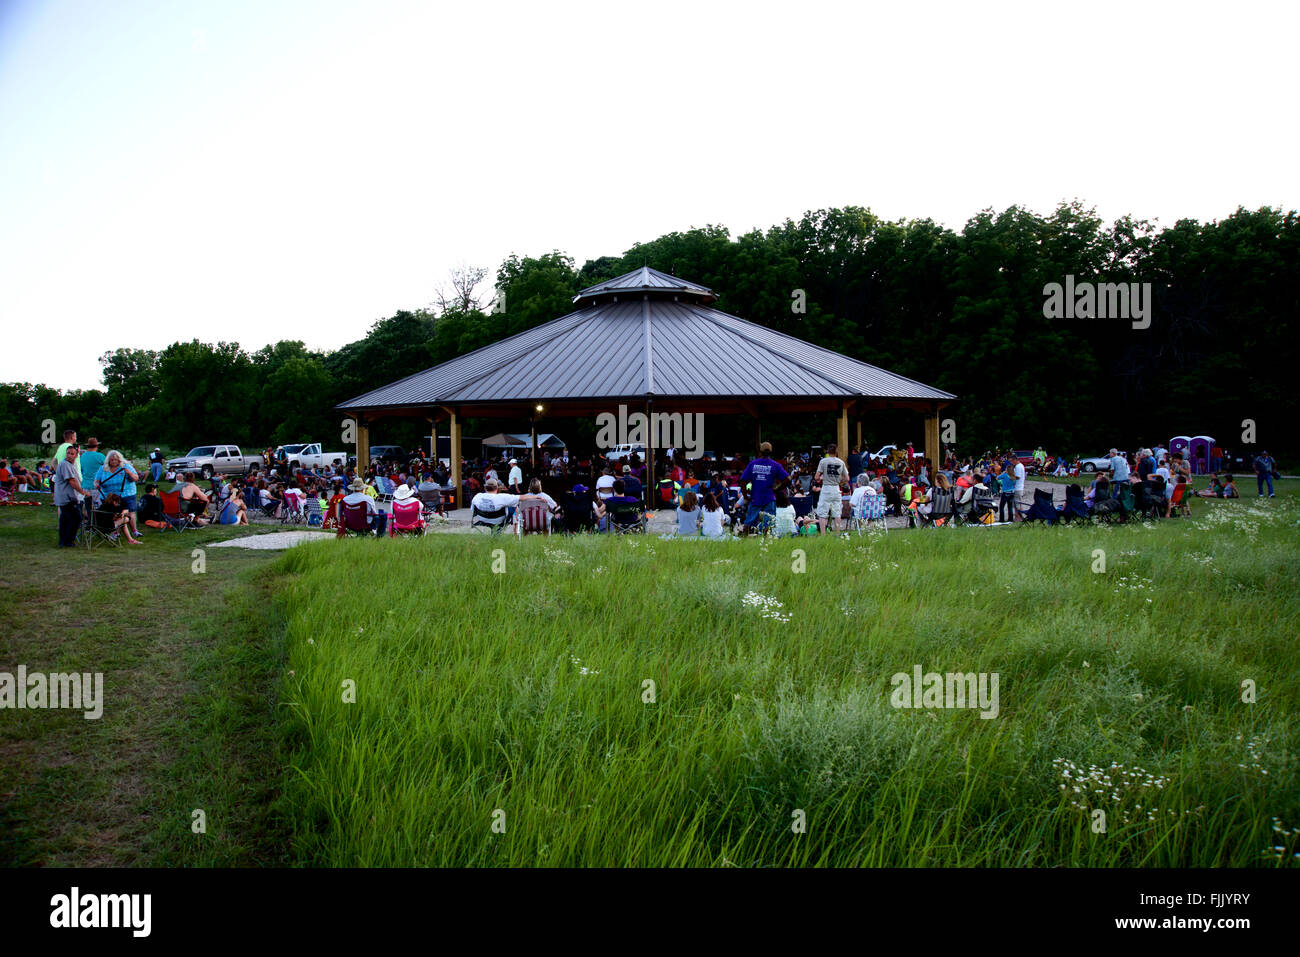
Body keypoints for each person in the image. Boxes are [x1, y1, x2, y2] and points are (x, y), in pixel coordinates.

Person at [739, 441, 789, 534]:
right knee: (768, 523)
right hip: (769, 497)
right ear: (771, 452)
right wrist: (777, 489)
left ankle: (744, 542)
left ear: (760, 451)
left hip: (755, 497)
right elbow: (788, 479)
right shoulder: (775, 465)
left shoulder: (753, 464)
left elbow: (742, 480)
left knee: (749, 522)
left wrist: (745, 496)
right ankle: (766, 543)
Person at [53, 445, 95, 546]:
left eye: (72, 454)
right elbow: (71, 481)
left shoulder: (72, 464)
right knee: (76, 518)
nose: (69, 455)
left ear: (76, 455)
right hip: (66, 497)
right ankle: (68, 541)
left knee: (65, 519)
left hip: (66, 496)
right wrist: (82, 492)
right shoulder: (65, 464)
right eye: (68, 453)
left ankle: (63, 541)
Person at [94, 450, 141, 537]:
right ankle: (115, 532)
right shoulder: (103, 468)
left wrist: (129, 473)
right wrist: (97, 484)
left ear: (119, 460)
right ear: (108, 460)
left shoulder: (126, 467)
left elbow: (136, 478)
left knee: (130, 511)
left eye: (116, 460)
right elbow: (96, 480)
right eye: (112, 460)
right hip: (109, 496)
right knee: (113, 514)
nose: (114, 462)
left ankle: (134, 531)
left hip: (126, 493)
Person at [813, 443, 849, 533]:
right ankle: (837, 533)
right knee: (837, 513)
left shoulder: (823, 461)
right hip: (836, 488)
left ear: (828, 451)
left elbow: (816, 477)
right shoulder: (841, 462)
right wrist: (840, 481)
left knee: (822, 513)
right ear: (836, 452)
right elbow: (847, 478)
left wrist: (822, 477)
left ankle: (823, 534)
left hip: (826, 488)